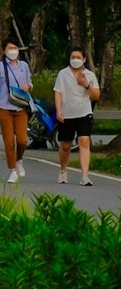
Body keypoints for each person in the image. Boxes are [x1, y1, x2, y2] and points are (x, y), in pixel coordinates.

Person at [0, 38, 33, 184]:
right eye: (10, 48)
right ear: (4, 51)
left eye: (15, 48)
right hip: (4, 107)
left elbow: (29, 83)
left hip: (20, 106)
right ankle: (12, 170)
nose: (13, 51)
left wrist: (28, 87)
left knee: (22, 139)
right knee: (9, 142)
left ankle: (19, 160)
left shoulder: (24, 66)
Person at [54, 48, 101, 186]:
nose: (75, 59)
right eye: (73, 57)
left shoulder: (90, 75)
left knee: (84, 141)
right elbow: (58, 93)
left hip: (84, 112)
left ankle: (85, 175)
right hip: (67, 113)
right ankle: (63, 171)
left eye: (78, 57)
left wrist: (86, 84)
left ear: (84, 59)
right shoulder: (63, 74)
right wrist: (58, 111)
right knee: (66, 145)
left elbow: (96, 96)